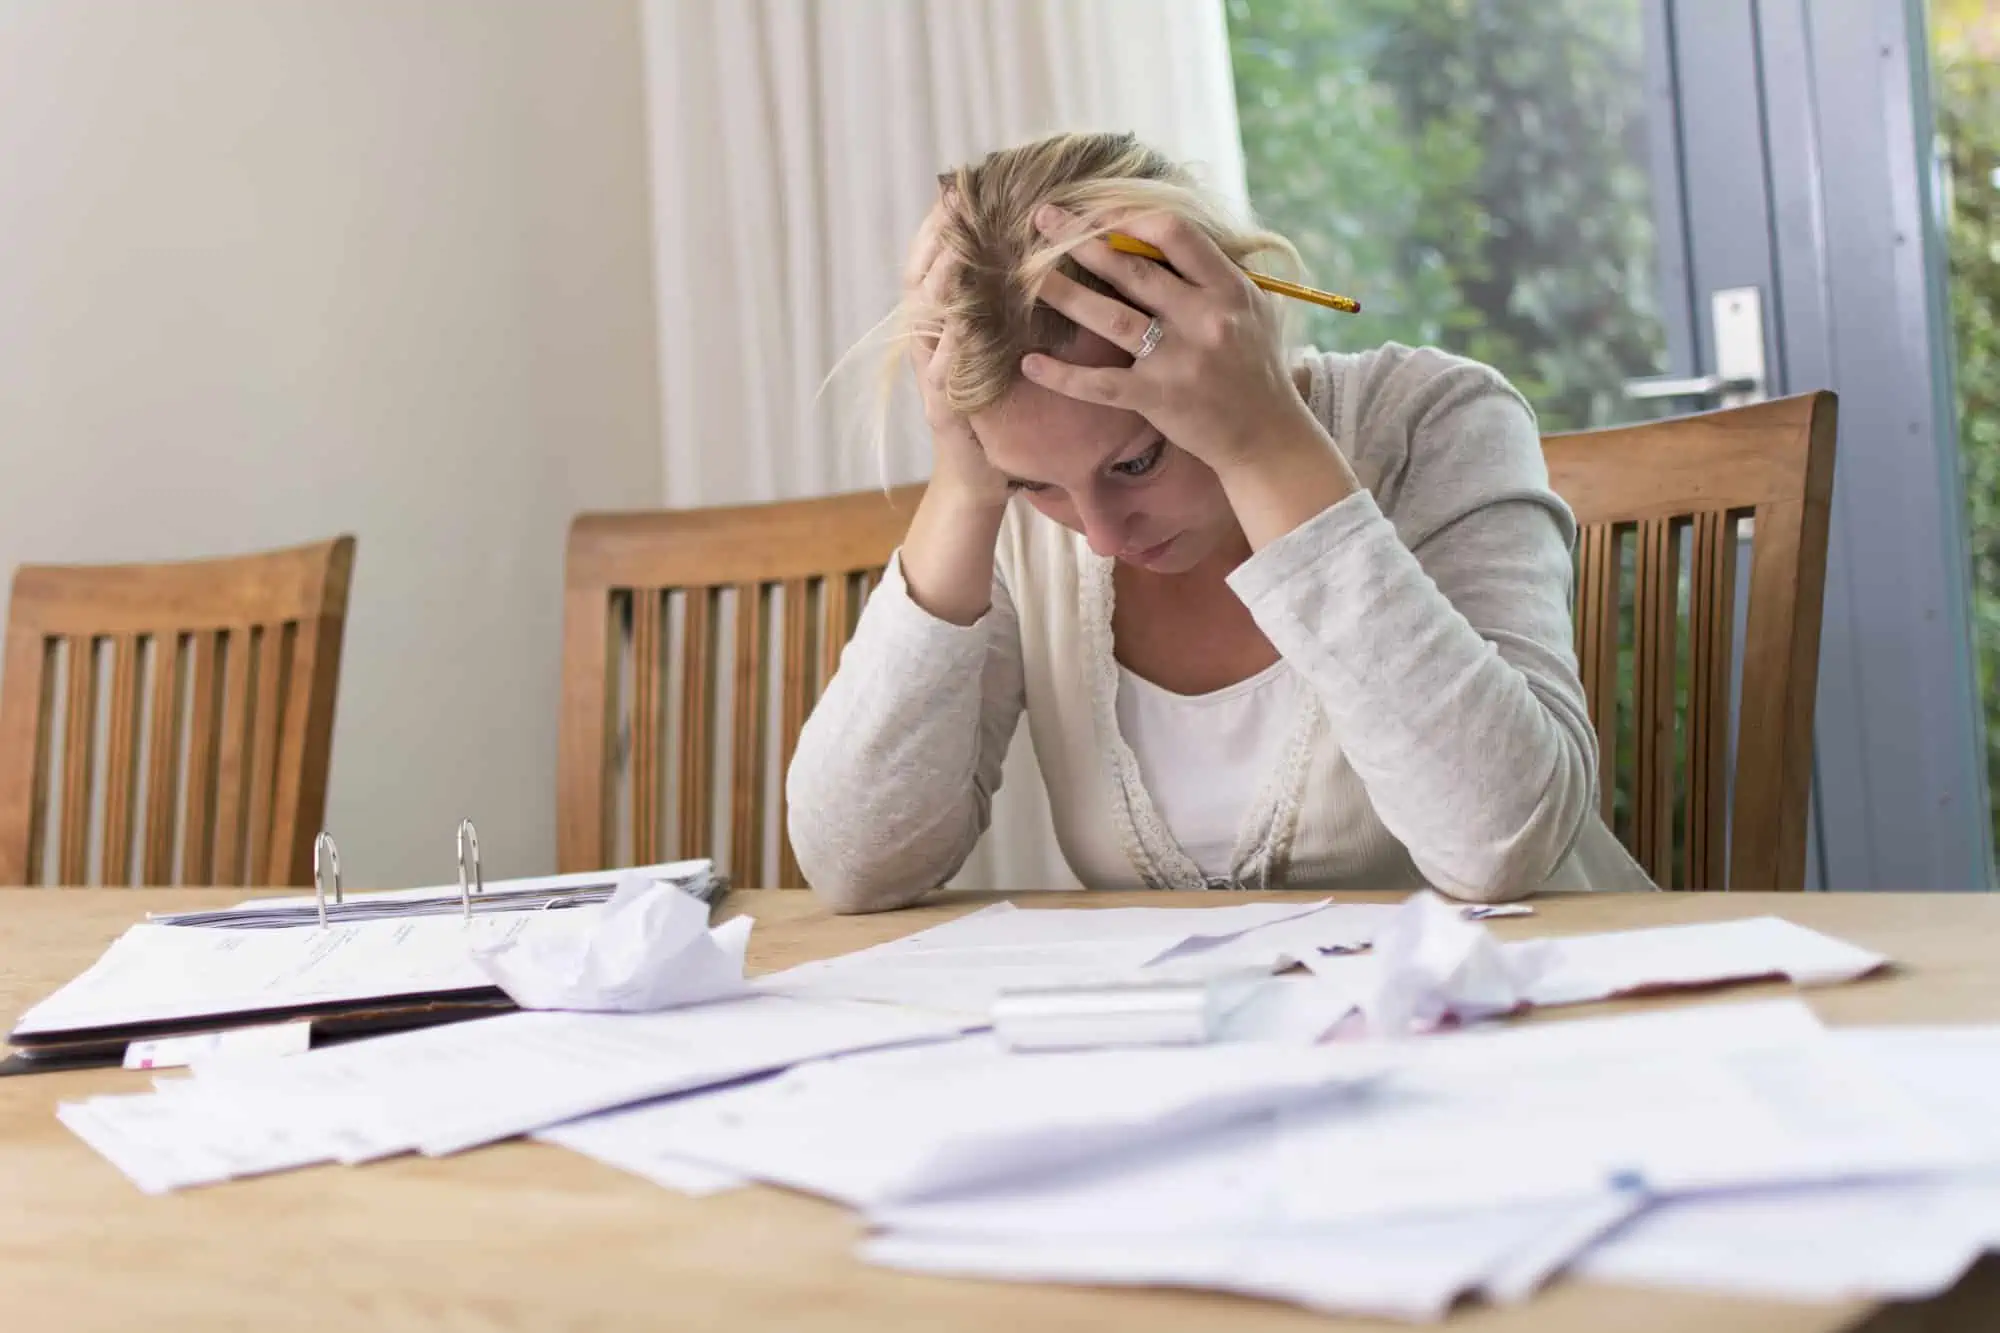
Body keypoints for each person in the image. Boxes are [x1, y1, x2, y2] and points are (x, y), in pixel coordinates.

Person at [785, 129, 1653, 913]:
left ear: (1231, 327)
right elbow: (858, 865)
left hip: (1536, 1033)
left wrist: (1265, 445)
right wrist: (970, 490)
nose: (1101, 537)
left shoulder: (1435, 420)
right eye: (1033, 485)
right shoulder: (1014, 514)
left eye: (1135, 462)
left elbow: (1502, 843)